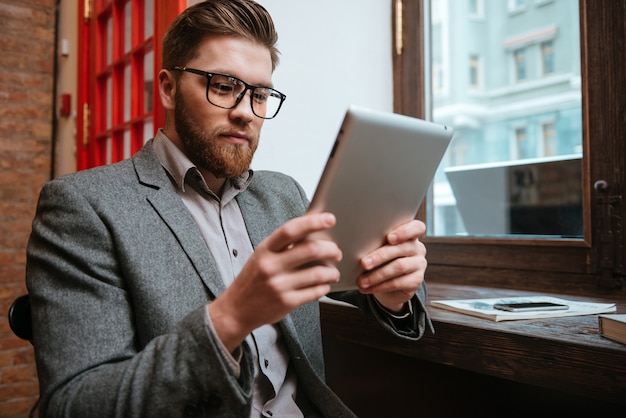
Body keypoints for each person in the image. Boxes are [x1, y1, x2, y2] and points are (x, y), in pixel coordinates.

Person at [26, 1, 433, 416]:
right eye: (222, 86)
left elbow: (367, 278)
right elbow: (74, 404)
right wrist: (230, 318)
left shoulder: (283, 195)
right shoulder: (84, 207)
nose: (244, 112)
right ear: (168, 88)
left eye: (259, 94)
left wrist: (392, 291)